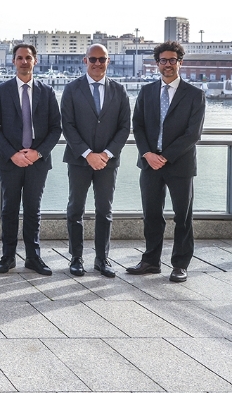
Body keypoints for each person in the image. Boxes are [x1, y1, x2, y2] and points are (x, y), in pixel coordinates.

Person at [128, 41, 205, 283]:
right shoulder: (147, 91)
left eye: (173, 60)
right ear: (157, 63)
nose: (168, 65)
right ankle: (151, 261)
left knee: (183, 216)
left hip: (180, 164)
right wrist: (148, 154)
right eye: (163, 60)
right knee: (151, 214)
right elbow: (137, 126)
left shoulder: (195, 95)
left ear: (180, 62)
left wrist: (166, 156)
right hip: (150, 163)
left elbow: (193, 133)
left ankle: (180, 264)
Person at [0, 44, 62, 275]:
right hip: (9, 161)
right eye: (19, 58)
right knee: (9, 209)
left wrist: (37, 153)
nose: (24, 62)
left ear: (35, 61)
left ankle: (33, 258)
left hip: (37, 161)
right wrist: (12, 153)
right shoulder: (1, 91)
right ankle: (8, 257)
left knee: (33, 209)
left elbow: (55, 128)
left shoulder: (47, 92)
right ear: (13, 61)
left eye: (28, 58)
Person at [61, 44, 130, 277]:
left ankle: (102, 259)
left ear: (108, 61)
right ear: (85, 60)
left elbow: (124, 127)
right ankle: (76, 258)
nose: (97, 63)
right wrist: (88, 154)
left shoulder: (119, 91)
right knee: (75, 209)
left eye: (102, 59)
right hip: (79, 160)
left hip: (107, 162)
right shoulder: (71, 89)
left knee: (105, 211)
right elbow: (67, 126)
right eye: (93, 59)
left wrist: (106, 154)